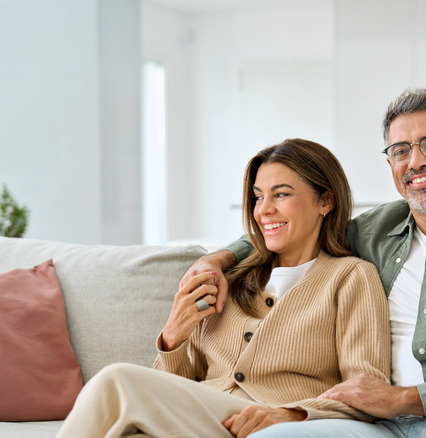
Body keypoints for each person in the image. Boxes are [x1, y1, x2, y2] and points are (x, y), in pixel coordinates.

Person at [183, 89, 426, 438]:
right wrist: (220, 258)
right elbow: (294, 226)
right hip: (380, 427)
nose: (416, 162)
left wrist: (404, 399)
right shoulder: (376, 230)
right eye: (400, 151)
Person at [55, 139, 391, 438]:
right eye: (258, 197)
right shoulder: (227, 281)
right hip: (205, 419)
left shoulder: (351, 278)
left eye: (281, 194)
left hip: (266, 421)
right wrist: (173, 336)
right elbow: (179, 387)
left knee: (117, 381)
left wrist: (290, 414)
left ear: (326, 201)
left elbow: (366, 391)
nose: (264, 210)